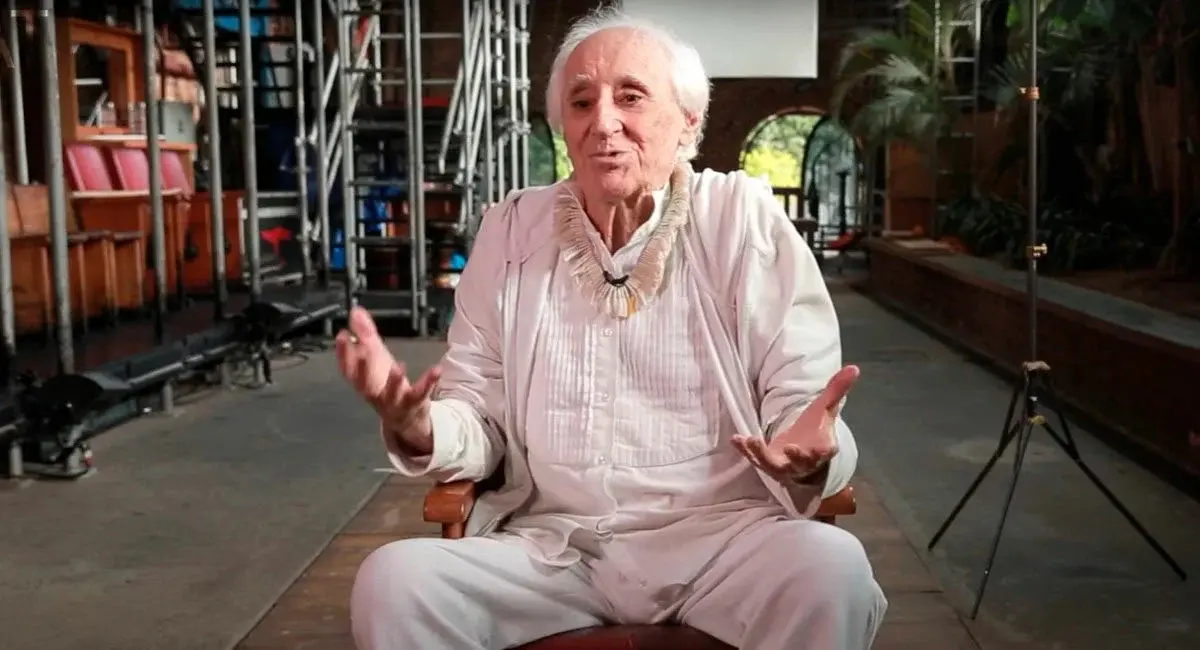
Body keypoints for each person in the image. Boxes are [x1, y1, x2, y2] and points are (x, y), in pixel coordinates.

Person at [337, 7, 887, 650]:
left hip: (725, 542)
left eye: (630, 97)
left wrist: (805, 453)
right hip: (552, 549)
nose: (603, 122)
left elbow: (802, 407)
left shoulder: (743, 221)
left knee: (831, 570)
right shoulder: (511, 231)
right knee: (393, 581)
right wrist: (417, 425)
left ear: (688, 122)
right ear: (563, 128)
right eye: (581, 102)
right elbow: (478, 416)